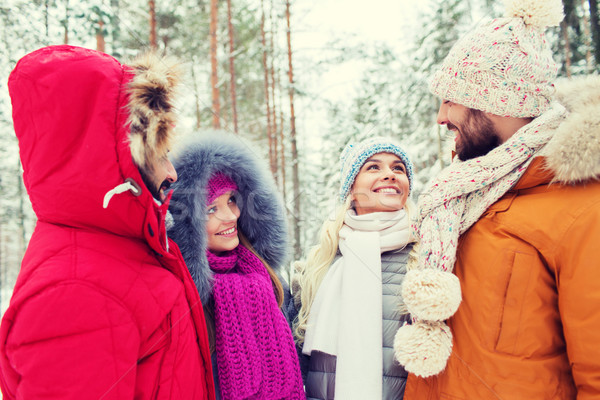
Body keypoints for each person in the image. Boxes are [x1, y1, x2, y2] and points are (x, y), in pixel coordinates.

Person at [393, 0, 600, 398]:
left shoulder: (583, 209)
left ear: (498, 101)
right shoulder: (461, 198)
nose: (440, 116)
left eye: (451, 99)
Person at [0, 45, 215, 399]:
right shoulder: (73, 292)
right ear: (111, 156)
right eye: (159, 154)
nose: (172, 172)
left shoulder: (125, 248)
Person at [167, 134, 304, 400]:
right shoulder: (183, 296)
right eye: (210, 210)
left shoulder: (270, 279)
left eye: (231, 200)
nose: (231, 215)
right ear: (188, 225)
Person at [292, 136, 416, 400]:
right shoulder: (320, 264)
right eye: (373, 167)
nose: (390, 175)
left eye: (398, 168)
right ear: (350, 188)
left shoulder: (424, 256)